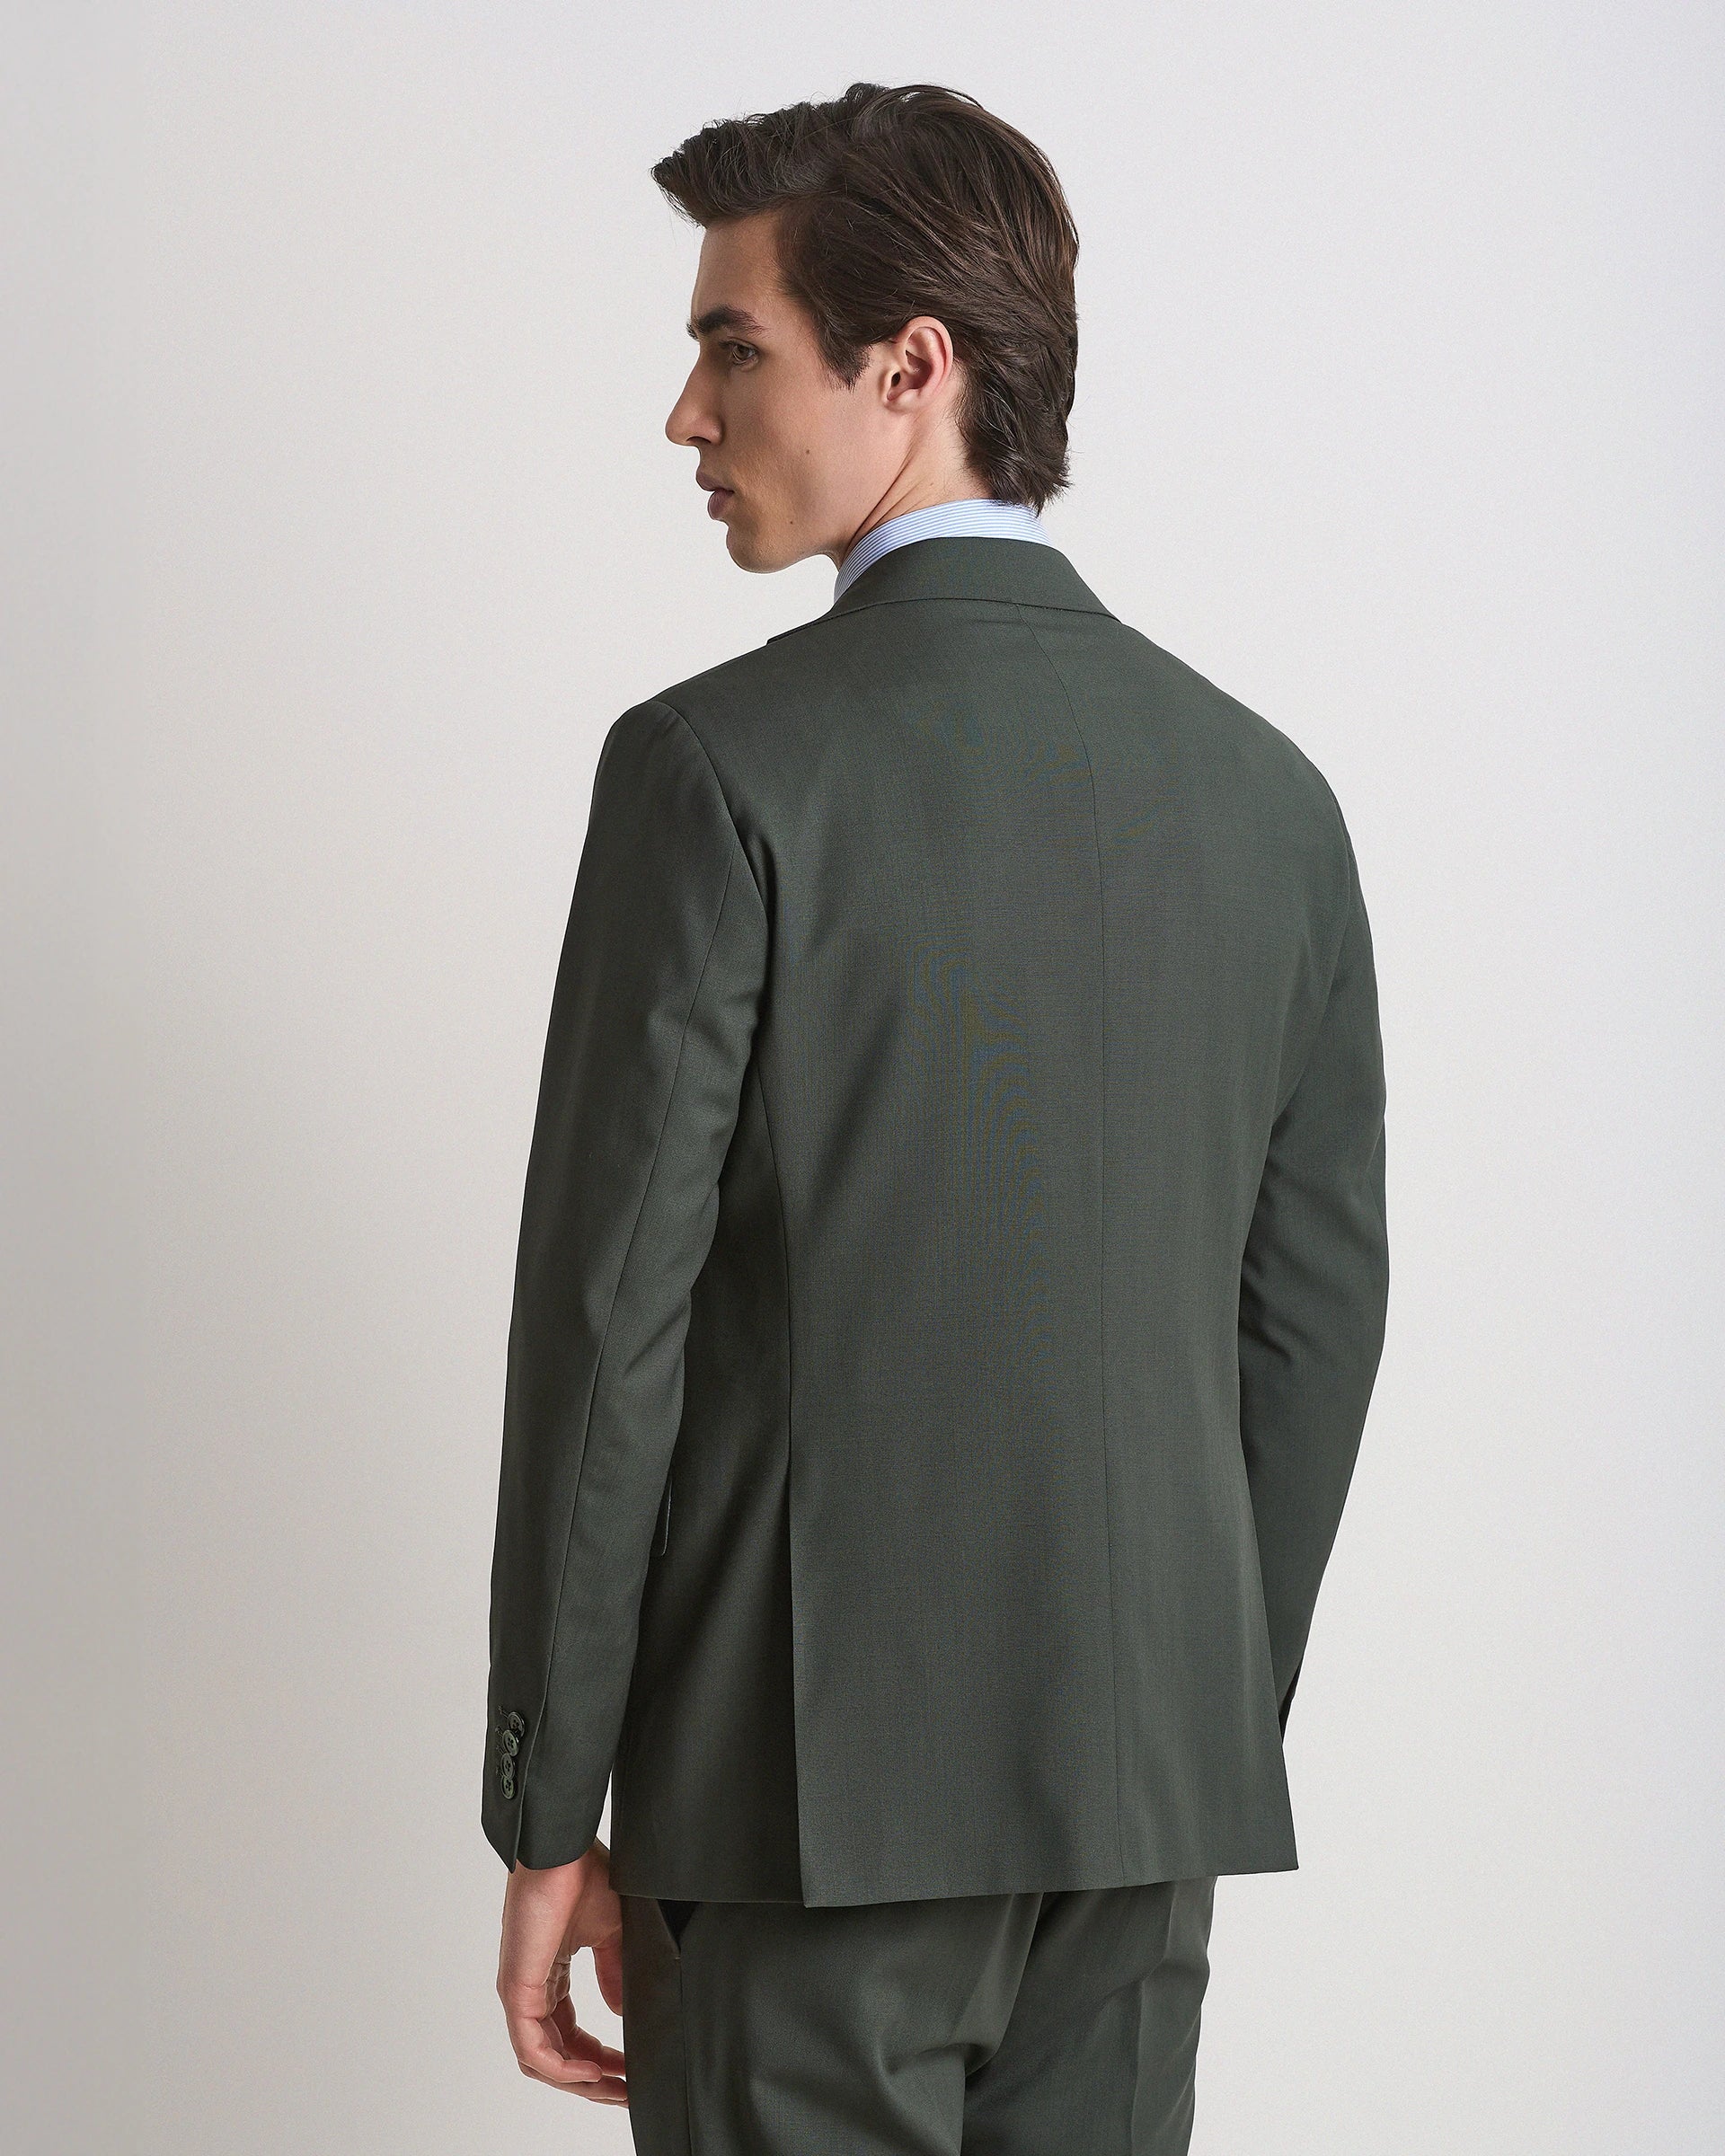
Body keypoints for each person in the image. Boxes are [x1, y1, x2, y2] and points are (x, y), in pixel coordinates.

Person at [482, 81, 1389, 2155]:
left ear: (913, 368)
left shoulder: (716, 773)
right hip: (1136, 1813)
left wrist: (547, 1804)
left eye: (732, 347)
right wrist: (1175, 1722)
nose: (687, 415)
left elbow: (611, 1337)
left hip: (799, 1817)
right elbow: (1314, 1322)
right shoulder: (1272, 802)